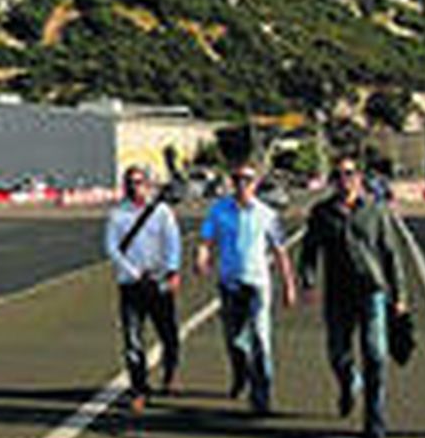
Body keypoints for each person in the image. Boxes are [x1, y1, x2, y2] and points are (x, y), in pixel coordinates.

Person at [298, 157, 406, 438]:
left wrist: (400, 296)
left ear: (359, 177)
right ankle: (348, 382)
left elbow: (391, 254)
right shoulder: (321, 213)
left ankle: (375, 421)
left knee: (376, 356)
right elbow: (309, 251)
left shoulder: (375, 210)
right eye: (338, 175)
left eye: (349, 173)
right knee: (337, 354)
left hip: (372, 291)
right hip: (338, 295)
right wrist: (307, 282)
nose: (344, 179)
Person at [196, 164, 297, 415]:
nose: (242, 184)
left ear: (256, 183)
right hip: (230, 284)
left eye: (248, 179)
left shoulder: (267, 214)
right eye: (237, 179)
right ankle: (240, 372)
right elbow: (206, 240)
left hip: (258, 284)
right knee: (235, 341)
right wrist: (202, 257)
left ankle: (261, 395)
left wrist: (289, 285)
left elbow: (280, 251)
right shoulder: (219, 211)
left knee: (261, 339)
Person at [103, 165, 183, 411]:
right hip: (131, 285)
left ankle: (170, 374)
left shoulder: (161, 212)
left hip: (159, 282)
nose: (134, 186)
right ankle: (139, 389)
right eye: (130, 182)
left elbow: (172, 242)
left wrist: (172, 271)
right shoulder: (117, 215)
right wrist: (133, 272)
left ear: (148, 185)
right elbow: (112, 248)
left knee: (169, 336)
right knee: (132, 342)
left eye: (139, 182)